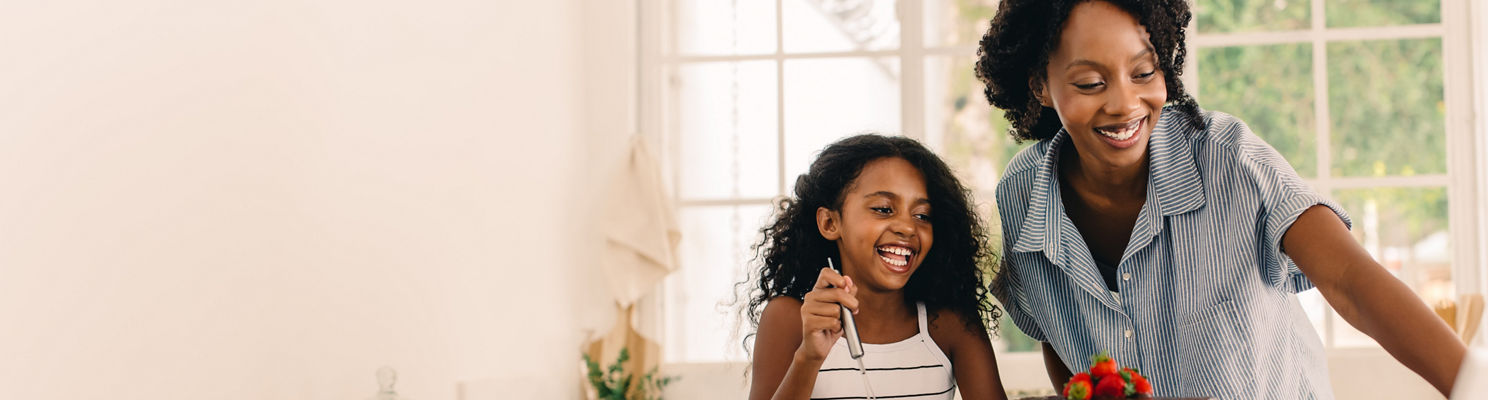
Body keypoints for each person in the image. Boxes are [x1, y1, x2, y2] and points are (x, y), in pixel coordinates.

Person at [975, 1, 1466, 398]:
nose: (1125, 103)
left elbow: (1350, 280)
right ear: (1040, 84)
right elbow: (1056, 329)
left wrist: (1472, 383)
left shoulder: (1228, 158)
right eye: (1090, 83)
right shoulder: (1023, 192)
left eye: (1144, 73)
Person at [742, 134, 1008, 400]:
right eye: (883, 209)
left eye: (922, 215)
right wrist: (809, 358)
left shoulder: (951, 326)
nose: (907, 227)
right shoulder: (789, 320)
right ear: (830, 223)